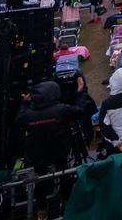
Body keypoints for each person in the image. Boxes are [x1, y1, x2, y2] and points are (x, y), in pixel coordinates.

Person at [13, 81, 82, 215]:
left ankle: (42, 210)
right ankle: (67, 203)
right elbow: (80, 111)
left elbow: (18, 122)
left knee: (41, 180)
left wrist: (24, 103)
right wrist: (80, 92)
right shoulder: (61, 109)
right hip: (60, 151)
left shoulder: (28, 114)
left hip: (38, 155)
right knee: (64, 175)